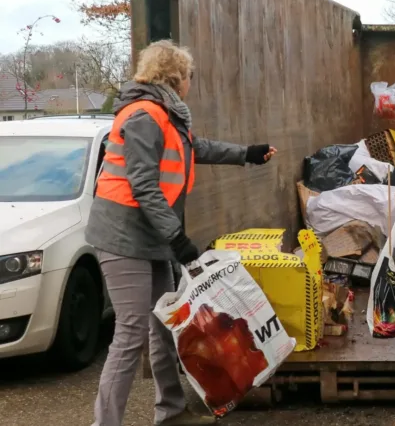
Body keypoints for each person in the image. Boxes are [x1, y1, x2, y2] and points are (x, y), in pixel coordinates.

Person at [86, 40, 277, 426]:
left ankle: (170, 413)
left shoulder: (165, 115)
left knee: (164, 326)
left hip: (148, 237)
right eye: (189, 76)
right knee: (132, 331)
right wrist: (178, 240)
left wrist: (246, 153)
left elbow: (195, 148)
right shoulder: (144, 115)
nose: (191, 82)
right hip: (123, 237)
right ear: (176, 77)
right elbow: (143, 185)